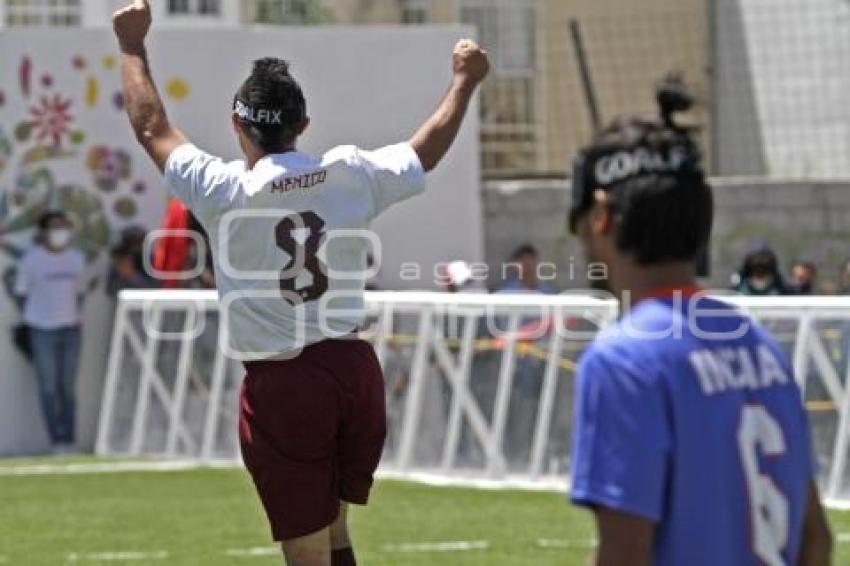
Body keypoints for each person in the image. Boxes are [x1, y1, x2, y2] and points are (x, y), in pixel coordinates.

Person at [112, 1, 488, 564]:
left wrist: (131, 46)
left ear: (238, 125)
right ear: (302, 125)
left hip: (285, 381)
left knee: (306, 551)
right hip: (353, 372)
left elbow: (151, 127)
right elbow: (423, 152)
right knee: (335, 538)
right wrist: (464, 83)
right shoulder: (349, 174)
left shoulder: (223, 189)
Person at [566, 81, 832, 565]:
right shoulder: (760, 346)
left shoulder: (624, 359)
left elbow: (626, 555)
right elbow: (816, 539)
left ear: (601, 215)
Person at [14, 211, 85, 452]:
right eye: (55, 227)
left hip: (70, 329)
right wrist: (34, 317)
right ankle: (57, 442)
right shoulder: (31, 260)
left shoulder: (76, 258)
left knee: (67, 388)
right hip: (41, 329)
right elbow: (21, 293)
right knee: (48, 387)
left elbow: (80, 292)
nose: (60, 232)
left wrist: (76, 316)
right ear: (42, 232)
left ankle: (69, 440)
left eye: (64, 226)